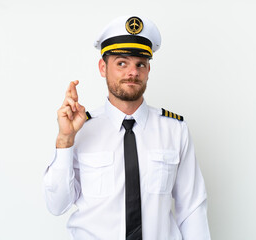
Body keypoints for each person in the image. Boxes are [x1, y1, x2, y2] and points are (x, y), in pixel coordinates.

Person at [43, 15, 211, 240]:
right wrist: (65, 140)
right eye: (122, 63)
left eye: (140, 64)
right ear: (103, 67)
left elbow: (192, 210)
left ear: (148, 70)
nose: (133, 72)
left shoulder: (174, 130)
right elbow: (57, 206)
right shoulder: (79, 130)